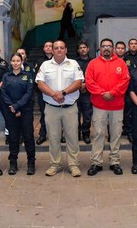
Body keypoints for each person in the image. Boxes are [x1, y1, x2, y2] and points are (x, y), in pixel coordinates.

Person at [36, 40, 84, 177]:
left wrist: (62, 93)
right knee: (53, 137)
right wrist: (53, 94)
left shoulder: (73, 64)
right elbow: (40, 83)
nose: (58, 50)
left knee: (72, 137)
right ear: (52, 50)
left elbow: (79, 82)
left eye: (61, 48)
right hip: (51, 108)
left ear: (66, 50)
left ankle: (73, 165)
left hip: (70, 107)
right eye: (56, 48)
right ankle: (55, 164)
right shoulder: (45, 65)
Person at [85, 38, 131, 176]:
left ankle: (114, 162)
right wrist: (102, 93)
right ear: (100, 48)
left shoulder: (121, 63)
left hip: (117, 106)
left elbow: (125, 80)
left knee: (116, 135)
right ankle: (96, 162)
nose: (106, 48)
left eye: (109, 46)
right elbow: (89, 81)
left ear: (113, 49)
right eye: (104, 46)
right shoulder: (93, 64)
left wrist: (112, 93)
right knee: (98, 133)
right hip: (99, 105)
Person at [1, 54, 36, 175]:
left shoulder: (28, 75)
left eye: (18, 61)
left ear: (22, 62)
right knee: (13, 138)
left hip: (25, 111)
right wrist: (13, 107)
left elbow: (29, 93)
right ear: (10, 62)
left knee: (28, 137)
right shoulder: (6, 76)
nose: (15, 63)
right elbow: (3, 92)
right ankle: (13, 163)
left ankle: (31, 163)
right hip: (11, 111)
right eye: (13, 61)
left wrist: (17, 106)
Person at [34, 41, 53, 145]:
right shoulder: (40, 61)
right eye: (46, 46)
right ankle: (43, 134)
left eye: (50, 46)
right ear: (44, 48)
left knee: (57, 114)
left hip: (56, 93)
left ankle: (59, 135)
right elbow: (37, 78)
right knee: (44, 113)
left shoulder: (58, 60)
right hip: (43, 93)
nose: (48, 48)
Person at [121, 38, 137, 142]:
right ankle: (129, 131)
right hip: (128, 89)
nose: (133, 45)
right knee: (128, 112)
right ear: (129, 46)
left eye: (135, 44)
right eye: (131, 44)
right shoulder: (125, 58)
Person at [75, 42, 93, 144]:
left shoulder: (93, 62)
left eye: (84, 47)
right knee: (75, 115)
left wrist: (86, 85)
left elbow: (95, 76)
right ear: (78, 50)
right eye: (80, 48)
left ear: (88, 49)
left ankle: (86, 133)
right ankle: (77, 133)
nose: (82, 49)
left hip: (88, 93)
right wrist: (78, 85)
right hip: (75, 93)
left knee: (87, 116)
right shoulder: (74, 62)